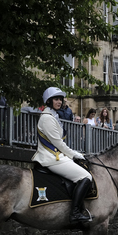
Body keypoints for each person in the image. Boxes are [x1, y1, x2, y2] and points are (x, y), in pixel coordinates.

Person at [32, 87, 92, 223]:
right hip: (51, 158)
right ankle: (75, 213)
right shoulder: (47, 118)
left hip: (56, 155)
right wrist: (76, 154)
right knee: (86, 177)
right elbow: (59, 144)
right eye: (56, 99)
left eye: (60, 99)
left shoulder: (53, 115)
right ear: (49, 101)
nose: (59, 102)